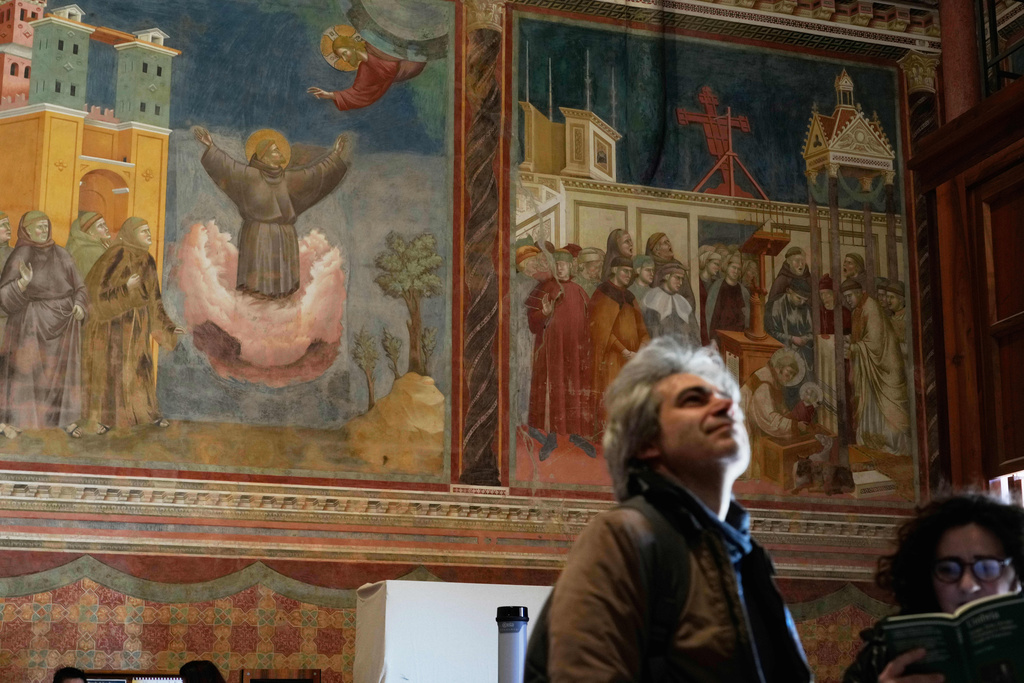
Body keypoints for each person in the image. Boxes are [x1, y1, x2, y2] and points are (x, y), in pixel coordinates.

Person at [534, 336, 811, 681]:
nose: (726, 407)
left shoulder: (743, 553)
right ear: (646, 442)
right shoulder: (623, 538)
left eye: (727, 399)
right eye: (694, 400)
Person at [843, 494, 1024, 683]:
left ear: (1017, 575)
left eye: (987, 568)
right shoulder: (882, 651)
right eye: (948, 569)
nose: (967, 585)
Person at [193, 126, 349, 299]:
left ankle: (280, 314)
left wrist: (335, 156)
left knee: (283, 293)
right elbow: (228, 168)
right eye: (275, 150)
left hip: (284, 236)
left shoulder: (288, 179)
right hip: (257, 235)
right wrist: (211, 147)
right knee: (256, 291)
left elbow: (315, 175)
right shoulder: (249, 176)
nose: (280, 153)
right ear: (264, 155)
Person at [81, 218, 185, 433]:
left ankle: (145, 413)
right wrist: (125, 290)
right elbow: (95, 295)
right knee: (114, 371)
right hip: (113, 327)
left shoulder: (147, 259)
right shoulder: (115, 254)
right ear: (130, 233)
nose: (149, 234)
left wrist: (168, 327)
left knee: (138, 369)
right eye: (143, 231)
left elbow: (154, 299)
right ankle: (107, 419)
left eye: (149, 230)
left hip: (138, 327)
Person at [0, 211, 87, 438]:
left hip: (63, 323)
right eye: (38, 227)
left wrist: (79, 305)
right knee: (29, 372)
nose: (44, 230)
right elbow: (4, 297)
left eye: (45, 226)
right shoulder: (21, 253)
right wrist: (21, 283)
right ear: (27, 230)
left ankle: (63, 419)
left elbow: (80, 287)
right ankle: (21, 418)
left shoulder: (62, 253)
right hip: (30, 323)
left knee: (59, 374)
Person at [525, 249, 594, 459]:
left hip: (575, 351)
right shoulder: (545, 288)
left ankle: (575, 434)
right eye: (558, 264)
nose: (562, 267)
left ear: (571, 266)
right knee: (552, 390)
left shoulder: (580, 291)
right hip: (551, 350)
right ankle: (551, 436)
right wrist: (544, 313)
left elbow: (590, 322)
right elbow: (532, 321)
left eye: (565, 263)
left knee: (575, 388)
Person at [843, 278, 911, 456]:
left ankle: (893, 445)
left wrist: (854, 347)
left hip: (885, 369)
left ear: (859, 293)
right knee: (871, 405)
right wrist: (853, 343)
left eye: (849, 296)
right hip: (872, 369)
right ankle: (874, 442)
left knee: (889, 409)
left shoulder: (871, 307)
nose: (848, 300)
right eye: (845, 297)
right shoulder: (858, 310)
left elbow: (876, 343)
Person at [588, 257, 649, 427]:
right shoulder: (603, 293)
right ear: (614, 270)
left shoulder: (630, 296)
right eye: (624, 271)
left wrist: (641, 349)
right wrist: (624, 351)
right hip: (612, 359)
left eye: (630, 272)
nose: (628, 275)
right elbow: (601, 330)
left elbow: (642, 330)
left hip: (632, 358)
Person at [308, 33, 426, 112]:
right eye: (341, 57)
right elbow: (359, 95)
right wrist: (329, 95)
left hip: (412, 42)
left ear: (351, 46)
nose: (345, 59)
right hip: (417, 61)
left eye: (344, 53)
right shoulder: (365, 72)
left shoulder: (372, 43)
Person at [739, 348, 808, 480]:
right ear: (779, 368)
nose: (789, 378)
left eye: (792, 376)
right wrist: (794, 425)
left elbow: (779, 406)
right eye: (788, 373)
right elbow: (769, 418)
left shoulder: (773, 379)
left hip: (752, 419)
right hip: (743, 422)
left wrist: (789, 416)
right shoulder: (764, 384)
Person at [765, 276, 814, 379]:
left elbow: (811, 333)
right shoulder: (775, 304)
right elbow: (770, 332)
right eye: (798, 298)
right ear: (789, 291)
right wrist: (792, 339)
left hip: (802, 353)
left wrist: (805, 339)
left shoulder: (806, 309)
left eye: (804, 300)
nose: (801, 303)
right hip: (779, 350)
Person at [642, 262, 699, 345]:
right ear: (667, 276)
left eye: (682, 279)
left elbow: (694, 333)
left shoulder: (682, 301)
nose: (680, 283)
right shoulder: (652, 298)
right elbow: (651, 333)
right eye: (677, 278)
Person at [705, 252, 750, 343]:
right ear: (727, 267)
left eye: (739, 269)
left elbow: (748, 318)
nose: (736, 271)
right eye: (733, 267)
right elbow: (712, 316)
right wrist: (713, 340)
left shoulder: (744, 291)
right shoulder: (716, 287)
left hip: (740, 339)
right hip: (721, 338)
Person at [65, 211, 111, 279]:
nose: (106, 228)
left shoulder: (80, 247)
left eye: (104, 224)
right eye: (100, 226)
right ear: (90, 232)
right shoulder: (94, 251)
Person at [698, 248, 723, 345]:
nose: (718, 268)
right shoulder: (696, 282)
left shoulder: (715, 285)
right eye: (716, 264)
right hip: (700, 327)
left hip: (712, 330)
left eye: (719, 265)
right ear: (707, 262)